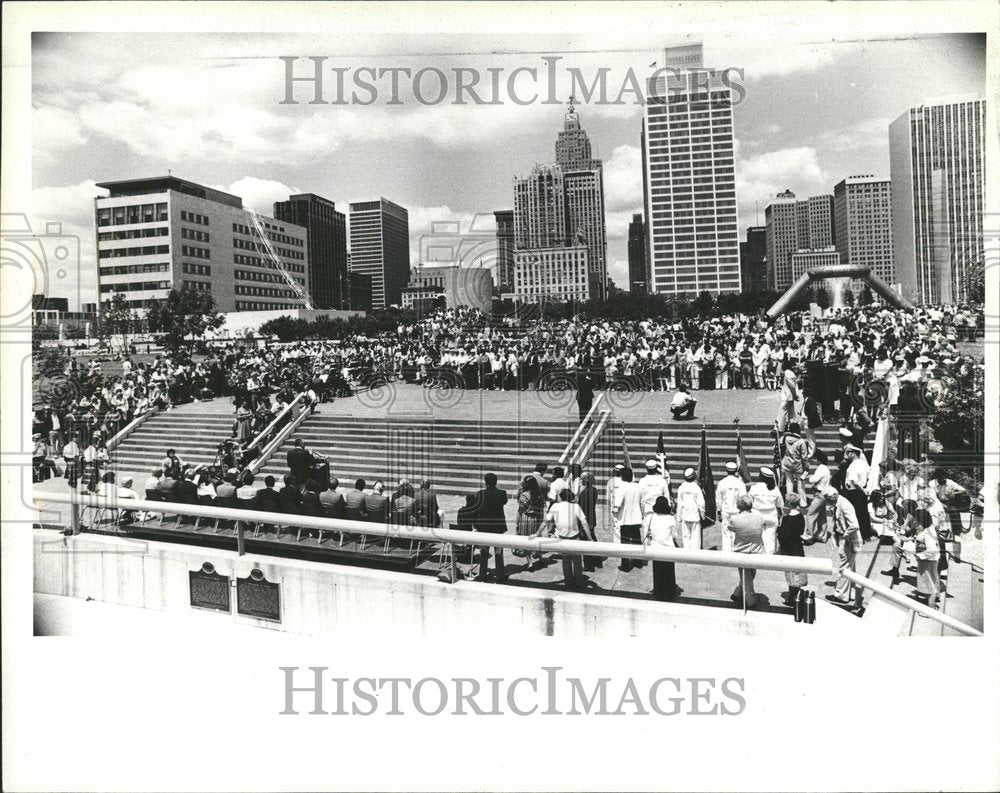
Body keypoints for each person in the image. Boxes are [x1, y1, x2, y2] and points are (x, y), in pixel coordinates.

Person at [541, 488, 593, 588]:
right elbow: (585, 523)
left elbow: (546, 521)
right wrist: (589, 538)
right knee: (577, 561)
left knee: (566, 561)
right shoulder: (575, 506)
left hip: (562, 538)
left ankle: (568, 582)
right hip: (575, 538)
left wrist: (538, 532)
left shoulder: (555, 506)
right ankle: (579, 581)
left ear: (561, 496)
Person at [824, 487, 862, 608]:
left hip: (849, 540)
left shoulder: (845, 505)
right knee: (849, 566)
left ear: (834, 495)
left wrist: (845, 536)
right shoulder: (838, 502)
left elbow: (854, 525)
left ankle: (841, 595)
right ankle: (849, 593)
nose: (827, 501)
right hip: (846, 538)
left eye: (828, 498)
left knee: (844, 566)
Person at [729, 496, 765, 609]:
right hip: (756, 550)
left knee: (745, 575)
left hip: (741, 551)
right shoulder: (759, 516)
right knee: (750, 574)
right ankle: (738, 593)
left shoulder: (735, 519)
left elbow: (730, 528)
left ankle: (748, 599)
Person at [473, 473, 508, 582]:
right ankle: (500, 574)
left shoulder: (480, 494)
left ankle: (482, 574)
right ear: (496, 482)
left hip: (484, 526)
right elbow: (504, 502)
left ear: (486, 482)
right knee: (498, 551)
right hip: (498, 526)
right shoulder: (502, 493)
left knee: (484, 552)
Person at [644, 495, 678, 601]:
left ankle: (659, 592)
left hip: (656, 549)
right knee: (669, 573)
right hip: (668, 550)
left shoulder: (651, 518)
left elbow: (646, 532)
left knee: (658, 572)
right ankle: (670, 592)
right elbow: (674, 535)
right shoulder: (671, 519)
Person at [776, 493, 807, 605]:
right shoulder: (800, 516)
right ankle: (797, 594)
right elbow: (801, 531)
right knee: (797, 572)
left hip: (788, 549)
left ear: (789, 503)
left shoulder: (786, 519)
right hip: (797, 546)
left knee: (790, 573)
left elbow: (782, 536)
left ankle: (792, 598)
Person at [613, 466, 644, 572]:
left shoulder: (622, 487)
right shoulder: (637, 486)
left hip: (625, 519)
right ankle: (638, 562)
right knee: (636, 540)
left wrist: (615, 512)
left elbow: (617, 503)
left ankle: (625, 565)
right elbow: (642, 501)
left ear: (622, 476)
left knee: (625, 542)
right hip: (636, 518)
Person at [841, 445, 874, 541]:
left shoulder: (854, 465)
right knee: (863, 513)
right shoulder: (864, 464)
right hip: (862, 491)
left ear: (853, 453)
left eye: (848, 453)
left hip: (854, 492)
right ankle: (866, 534)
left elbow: (854, 482)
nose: (847, 455)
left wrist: (862, 490)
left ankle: (859, 536)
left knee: (855, 514)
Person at [749, 467, 783, 554]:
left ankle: (760, 554)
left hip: (757, 515)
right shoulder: (775, 489)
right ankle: (769, 555)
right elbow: (780, 504)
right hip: (771, 515)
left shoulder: (754, 488)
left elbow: (749, 502)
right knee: (771, 537)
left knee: (759, 536)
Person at [716, 461, 747, 553]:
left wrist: (718, 511)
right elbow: (743, 499)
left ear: (726, 471)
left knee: (726, 532)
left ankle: (726, 552)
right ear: (736, 471)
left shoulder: (721, 483)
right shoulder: (740, 484)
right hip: (737, 511)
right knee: (736, 532)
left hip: (725, 511)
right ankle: (735, 550)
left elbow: (718, 499)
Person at [675, 467, 706, 550]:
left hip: (685, 515)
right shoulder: (696, 488)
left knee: (686, 536)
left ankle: (687, 553)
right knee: (695, 537)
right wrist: (703, 516)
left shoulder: (681, 488)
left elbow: (680, 504)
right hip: (695, 515)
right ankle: (695, 554)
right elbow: (701, 504)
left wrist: (679, 517)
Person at [514, 475, 543, 562]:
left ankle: (530, 562)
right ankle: (540, 557)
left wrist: (517, 522)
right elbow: (541, 509)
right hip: (536, 518)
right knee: (537, 538)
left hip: (525, 518)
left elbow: (520, 510)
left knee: (526, 540)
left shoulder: (524, 495)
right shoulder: (539, 495)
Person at [577, 472, 601, 571]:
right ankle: (597, 561)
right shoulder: (594, 490)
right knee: (592, 538)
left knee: (586, 541)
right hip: (592, 518)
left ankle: (589, 565)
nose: (581, 480)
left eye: (582, 479)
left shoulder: (584, 493)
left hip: (585, 519)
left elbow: (580, 507)